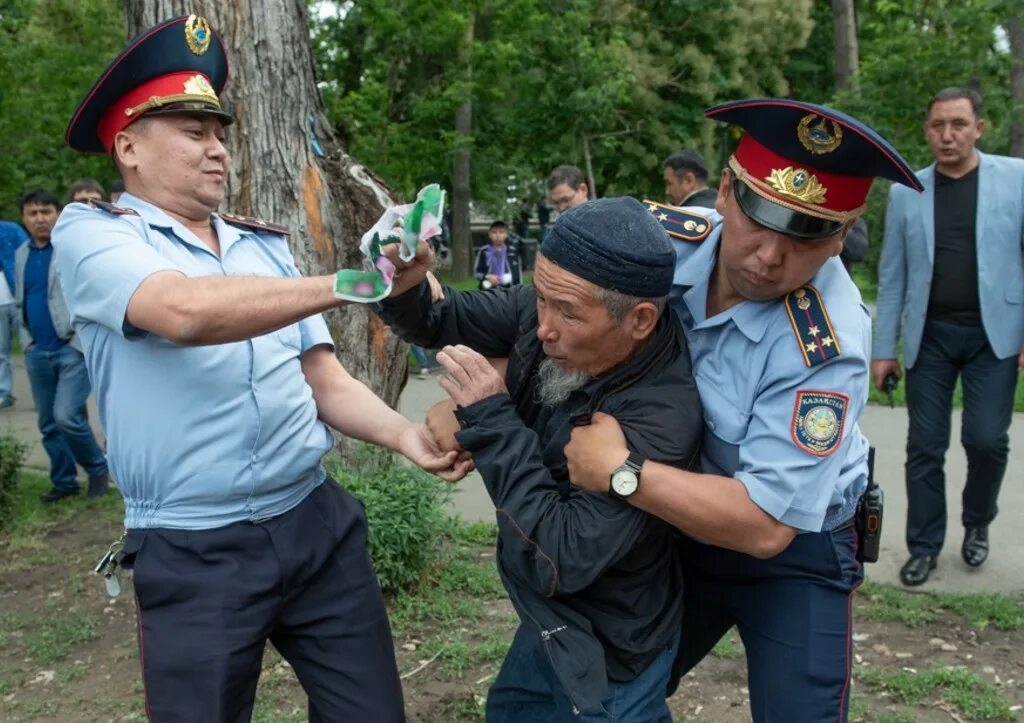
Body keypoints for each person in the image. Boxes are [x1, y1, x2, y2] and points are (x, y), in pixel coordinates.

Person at [54, 15, 465, 721]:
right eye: (192, 133)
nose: (216, 150)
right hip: (194, 546)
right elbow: (184, 312)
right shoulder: (91, 235)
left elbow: (321, 378)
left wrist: (405, 436)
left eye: (220, 134)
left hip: (314, 521)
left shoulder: (258, 247)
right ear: (127, 146)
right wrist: (352, 283)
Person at [564, 99, 924, 722]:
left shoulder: (828, 342)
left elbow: (765, 525)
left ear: (844, 233)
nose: (769, 257)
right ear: (726, 190)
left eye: (807, 236)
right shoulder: (660, 244)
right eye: (760, 220)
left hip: (795, 553)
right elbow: (554, 310)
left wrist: (622, 471)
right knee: (583, 691)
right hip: (665, 526)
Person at [375, 197, 704, 720]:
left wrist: (486, 418)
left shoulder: (661, 411)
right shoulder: (550, 306)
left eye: (567, 311)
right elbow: (445, 319)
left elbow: (559, 557)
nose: (543, 325)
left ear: (640, 319)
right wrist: (407, 284)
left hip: (610, 649)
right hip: (549, 625)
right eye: (541, 296)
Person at [872, 87, 1024, 586]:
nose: (947, 135)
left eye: (958, 124)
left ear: (979, 127)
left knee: (986, 441)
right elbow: (891, 278)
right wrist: (882, 351)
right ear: (927, 132)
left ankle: (977, 523)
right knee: (925, 446)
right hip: (930, 337)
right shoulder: (906, 191)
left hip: (993, 336)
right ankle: (924, 545)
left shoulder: (1017, 180)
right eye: (938, 126)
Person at [15, 189, 109, 503]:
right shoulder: (22, 254)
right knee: (48, 422)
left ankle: (97, 467)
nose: (40, 219)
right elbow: (21, 299)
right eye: (33, 213)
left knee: (67, 415)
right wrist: (26, 341)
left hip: (71, 348)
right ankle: (64, 480)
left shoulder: (72, 248)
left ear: (58, 214)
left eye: (46, 211)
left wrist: (78, 340)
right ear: (24, 219)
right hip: (37, 351)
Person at [0, 219, 27, 409]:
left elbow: (29, 253)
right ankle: (4, 392)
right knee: (1, 352)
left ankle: (44, 395)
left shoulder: (11, 230)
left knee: (33, 349)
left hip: (19, 299)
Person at [474, 220, 521, 290]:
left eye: (501, 232)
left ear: (506, 235)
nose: (498, 235)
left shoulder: (513, 251)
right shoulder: (483, 251)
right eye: (494, 232)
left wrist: (519, 291)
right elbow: (477, 273)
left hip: (510, 291)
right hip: (489, 291)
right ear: (489, 234)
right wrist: (488, 277)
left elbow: (519, 275)